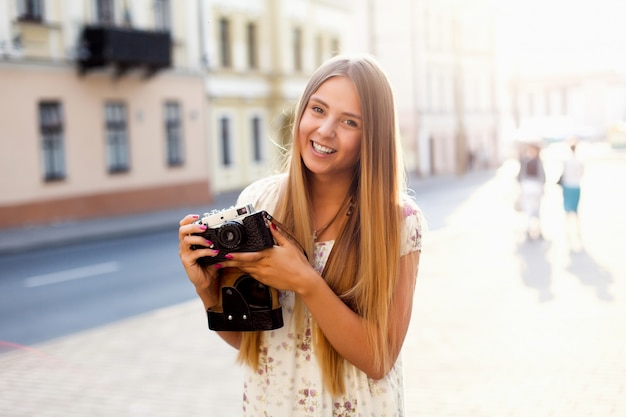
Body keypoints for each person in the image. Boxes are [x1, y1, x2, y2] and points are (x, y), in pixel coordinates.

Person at [178, 54, 424, 416]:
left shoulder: (399, 222)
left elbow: (379, 359)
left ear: (372, 137)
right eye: (318, 109)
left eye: (349, 121)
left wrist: (306, 281)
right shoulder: (259, 203)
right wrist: (206, 290)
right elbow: (250, 341)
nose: (325, 131)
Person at [517, 143, 546, 239]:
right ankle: (534, 229)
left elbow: (521, 177)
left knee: (531, 209)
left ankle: (531, 229)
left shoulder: (527, 161)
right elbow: (542, 177)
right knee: (535, 209)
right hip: (534, 188)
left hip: (529, 188)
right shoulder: (531, 161)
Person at [560, 142, 584, 240]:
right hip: (576, 185)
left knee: (567, 208)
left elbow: (563, 173)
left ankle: (567, 229)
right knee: (575, 208)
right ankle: (577, 229)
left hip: (567, 185)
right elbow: (582, 173)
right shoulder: (579, 161)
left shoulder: (566, 161)